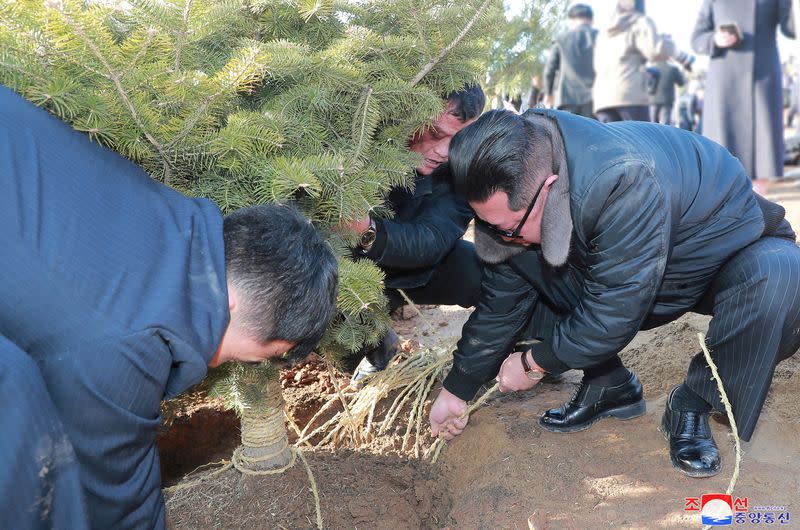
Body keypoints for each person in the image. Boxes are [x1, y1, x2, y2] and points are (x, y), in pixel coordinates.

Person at [0, 84, 339, 529]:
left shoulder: (170, 221)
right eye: (253, 354)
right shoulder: (133, 341)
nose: (227, 363)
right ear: (233, 304)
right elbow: (117, 503)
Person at [430, 108, 800, 479]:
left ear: (548, 187)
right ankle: (610, 385)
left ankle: (692, 402)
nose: (505, 237)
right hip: (642, 264)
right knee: (526, 264)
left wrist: (535, 362)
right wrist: (457, 388)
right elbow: (502, 302)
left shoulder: (621, 181)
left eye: (509, 227)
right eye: (494, 227)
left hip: (721, 254)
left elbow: (613, 311)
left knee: (780, 278)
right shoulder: (521, 155)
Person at [345, 85, 485, 382]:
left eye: (457, 139)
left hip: (413, 271)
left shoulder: (460, 170)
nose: (445, 151)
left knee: (480, 268)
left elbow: (431, 239)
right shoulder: (360, 139)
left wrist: (366, 231)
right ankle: (380, 344)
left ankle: (534, 349)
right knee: (341, 342)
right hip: (348, 276)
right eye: (435, 133)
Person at [691, 0, 795, 180]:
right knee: (723, 149)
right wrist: (715, 39)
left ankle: (758, 199)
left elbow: (791, 29)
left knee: (762, 150)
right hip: (724, 80)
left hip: (762, 78)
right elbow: (696, 38)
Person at [593, 0, 693, 123]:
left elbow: (596, 64)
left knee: (610, 141)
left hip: (603, 99)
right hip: (630, 95)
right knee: (640, 140)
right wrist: (677, 53)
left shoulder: (604, 30)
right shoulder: (639, 21)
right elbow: (655, 50)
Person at [542, 3, 597, 118]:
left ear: (571, 20)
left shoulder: (560, 40)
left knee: (568, 134)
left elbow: (550, 70)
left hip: (567, 99)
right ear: (591, 20)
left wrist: (548, 93)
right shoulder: (601, 38)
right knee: (594, 135)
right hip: (595, 100)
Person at [649, 60, 685, 125]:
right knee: (665, 123)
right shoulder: (673, 69)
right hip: (667, 99)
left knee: (652, 124)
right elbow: (681, 83)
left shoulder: (652, 68)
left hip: (653, 99)